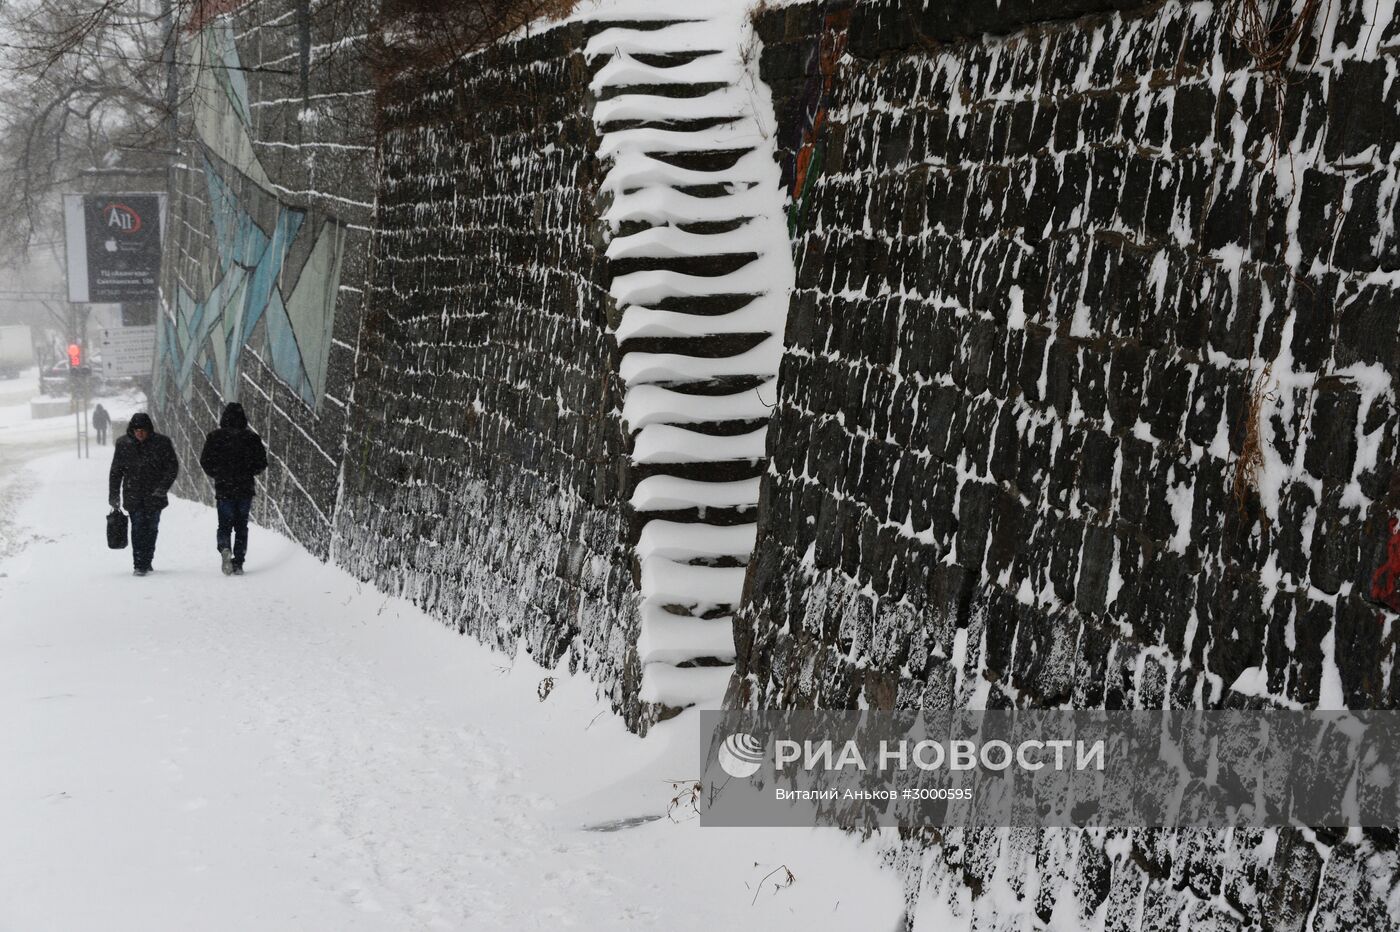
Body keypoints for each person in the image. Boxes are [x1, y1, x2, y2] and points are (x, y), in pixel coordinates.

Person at [198, 402, 268, 576]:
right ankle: (238, 562)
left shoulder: (215, 437)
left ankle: (224, 548)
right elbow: (261, 463)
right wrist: (248, 471)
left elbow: (205, 461)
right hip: (245, 489)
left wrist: (219, 474)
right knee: (241, 527)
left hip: (224, 489)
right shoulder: (251, 438)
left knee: (224, 525)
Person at [109, 412, 180, 577]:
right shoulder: (123, 444)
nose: (139, 433)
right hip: (133, 493)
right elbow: (116, 471)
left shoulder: (162, 443)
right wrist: (114, 495)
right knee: (137, 527)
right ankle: (139, 563)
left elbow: (172, 467)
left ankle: (147, 560)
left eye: (143, 430)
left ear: (149, 430)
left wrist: (162, 488)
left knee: (152, 528)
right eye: (136, 430)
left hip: (155, 495)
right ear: (132, 430)